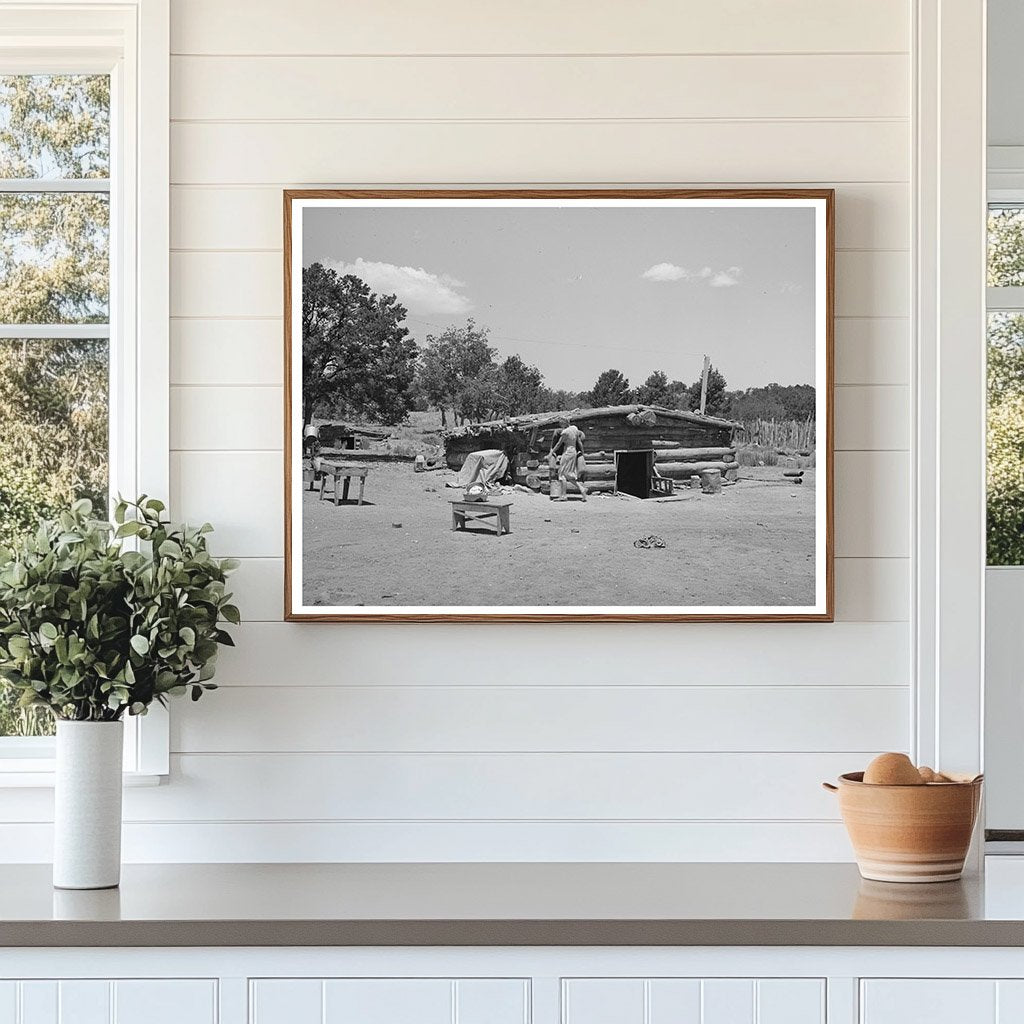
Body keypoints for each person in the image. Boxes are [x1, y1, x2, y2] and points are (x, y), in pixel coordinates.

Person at [549, 417, 588, 501]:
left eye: (561, 423)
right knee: (569, 475)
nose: (560, 425)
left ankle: (563, 496)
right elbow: (579, 442)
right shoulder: (575, 429)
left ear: (564, 423)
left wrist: (552, 452)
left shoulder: (565, 432)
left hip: (567, 453)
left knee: (562, 474)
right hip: (573, 452)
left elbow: (559, 444)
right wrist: (582, 452)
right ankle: (582, 489)